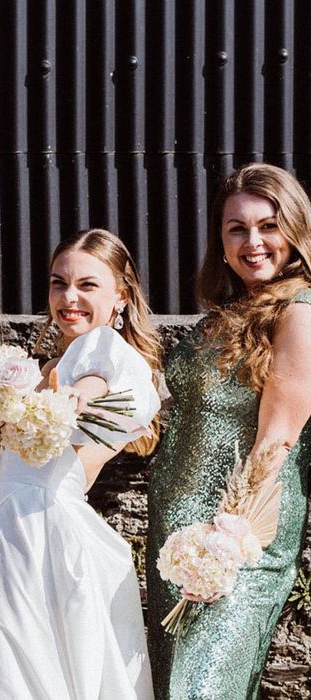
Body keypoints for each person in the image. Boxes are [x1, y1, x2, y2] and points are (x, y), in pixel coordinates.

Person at [0, 229, 162, 700]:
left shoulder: (100, 351)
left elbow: (100, 377)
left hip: (39, 538)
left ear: (120, 298)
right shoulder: (41, 367)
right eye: (58, 283)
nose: (69, 297)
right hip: (1, 533)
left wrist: (76, 396)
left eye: (88, 285)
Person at [146, 163, 311, 699]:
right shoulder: (228, 313)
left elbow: (278, 438)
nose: (253, 241)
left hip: (235, 540)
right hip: (178, 536)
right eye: (236, 228)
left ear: (296, 232)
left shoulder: (298, 311)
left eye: (268, 226)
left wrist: (226, 542)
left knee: (203, 689)